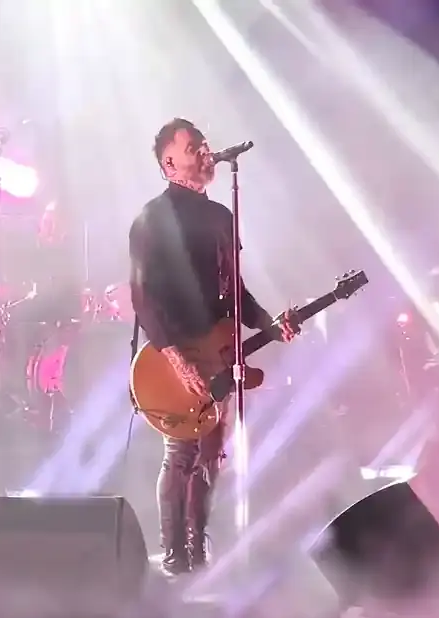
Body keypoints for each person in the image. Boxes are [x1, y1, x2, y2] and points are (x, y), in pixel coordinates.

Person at [128, 118, 297, 575]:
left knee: (210, 454)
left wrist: (267, 322)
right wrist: (172, 355)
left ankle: (196, 544)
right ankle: (173, 551)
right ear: (169, 162)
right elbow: (141, 296)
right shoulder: (151, 219)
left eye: (205, 143)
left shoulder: (222, 214)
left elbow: (234, 288)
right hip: (174, 350)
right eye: (192, 146)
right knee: (180, 453)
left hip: (219, 344)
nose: (205, 150)